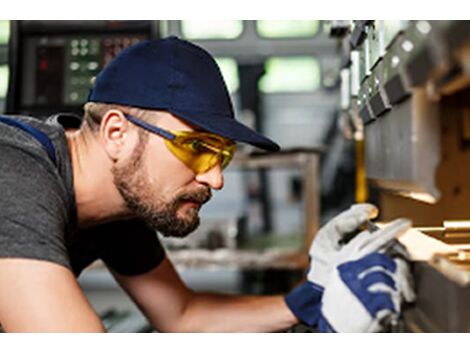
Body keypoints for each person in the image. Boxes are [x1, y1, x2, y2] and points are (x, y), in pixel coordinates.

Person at [0, 36, 414, 332]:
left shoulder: (116, 208)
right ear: (116, 134)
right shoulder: (13, 174)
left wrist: (313, 297)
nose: (215, 178)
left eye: (222, 156)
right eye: (196, 147)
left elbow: (183, 315)